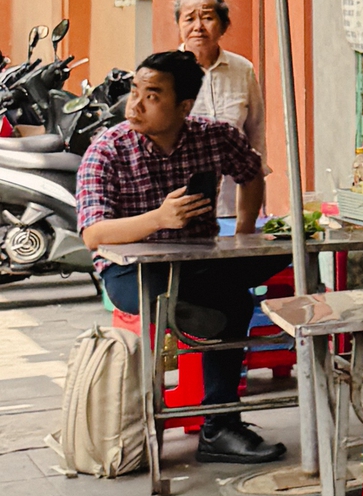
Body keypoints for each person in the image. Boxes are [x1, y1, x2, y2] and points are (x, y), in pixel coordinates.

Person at [77, 48, 287, 466]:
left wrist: (245, 231)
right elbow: (93, 234)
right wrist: (158, 218)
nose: (134, 104)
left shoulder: (214, 136)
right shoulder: (108, 149)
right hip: (131, 273)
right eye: (135, 90)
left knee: (275, 260)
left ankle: (218, 426)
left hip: (199, 261)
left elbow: (250, 173)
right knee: (208, 299)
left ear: (184, 106)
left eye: (152, 95)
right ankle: (205, 414)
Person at [174, 0, 262, 229]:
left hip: (236, 203)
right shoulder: (167, 72)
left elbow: (255, 131)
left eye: (207, 17)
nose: (198, 26)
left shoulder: (242, 69)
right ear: (179, 25)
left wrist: (255, 189)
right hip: (183, 205)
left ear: (223, 25)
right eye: (189, 19)